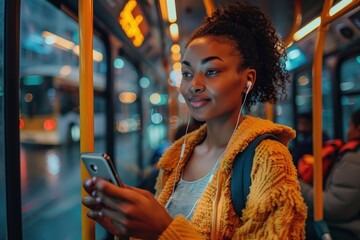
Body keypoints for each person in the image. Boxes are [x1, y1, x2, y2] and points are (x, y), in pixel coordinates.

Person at [82, 1, 307, 239]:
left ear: (247, 80)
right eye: (187, 74)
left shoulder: (268, 159)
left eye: (211, 71)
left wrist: (163, 230)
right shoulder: (177, 154)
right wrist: (132, 231)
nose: (193, 86)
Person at [300, 108, 360, 240]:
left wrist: (297, 184)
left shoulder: (354, 157)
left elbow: (335, 208)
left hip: (346, 229)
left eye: (350, 126)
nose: (348, 131)